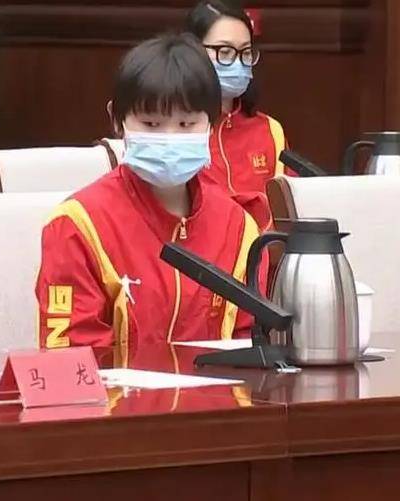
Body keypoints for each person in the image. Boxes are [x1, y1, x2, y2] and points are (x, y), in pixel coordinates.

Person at [36, 33, 264, 364]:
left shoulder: (239, 228)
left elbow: (251, 350)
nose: (170, 138)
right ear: (117, 120)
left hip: (219, 396)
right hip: (115, 398)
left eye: (186, 123)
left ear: (211, 123)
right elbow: (67, 361)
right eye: (151, 123)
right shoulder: (76, 226)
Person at [187, 1, 291, 220]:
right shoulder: (176, 131)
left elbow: (289, 213)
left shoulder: (271, 131)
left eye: (245, 52)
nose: (237, 63)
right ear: (192, 52)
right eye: (225, 52)